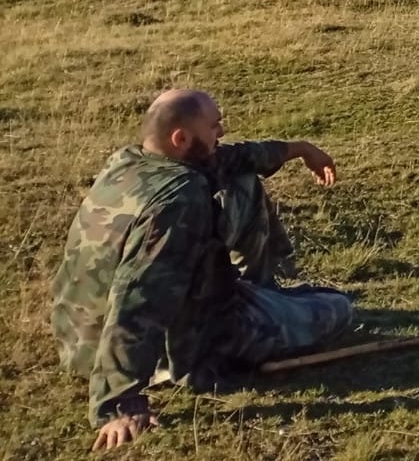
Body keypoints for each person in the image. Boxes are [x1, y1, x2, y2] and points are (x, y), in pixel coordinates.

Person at [50, 89, 354, 450]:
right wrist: (118, 404)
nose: (221, 131)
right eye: (214, 125)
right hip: (173, 343)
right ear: (181, 138)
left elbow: (234, 157)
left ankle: (261, 290)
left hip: (81, 338)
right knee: (336, 308)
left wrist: (300, 148)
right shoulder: (179, 200)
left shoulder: (129, 161)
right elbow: (138, 297)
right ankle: (239, 324)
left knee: (243, 179)